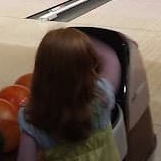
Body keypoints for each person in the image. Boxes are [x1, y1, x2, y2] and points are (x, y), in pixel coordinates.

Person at [17, 27, 122, 161]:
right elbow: (110, 58)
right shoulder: (101, 97)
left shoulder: (32, 118)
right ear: (89, 67)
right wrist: (81, 41)